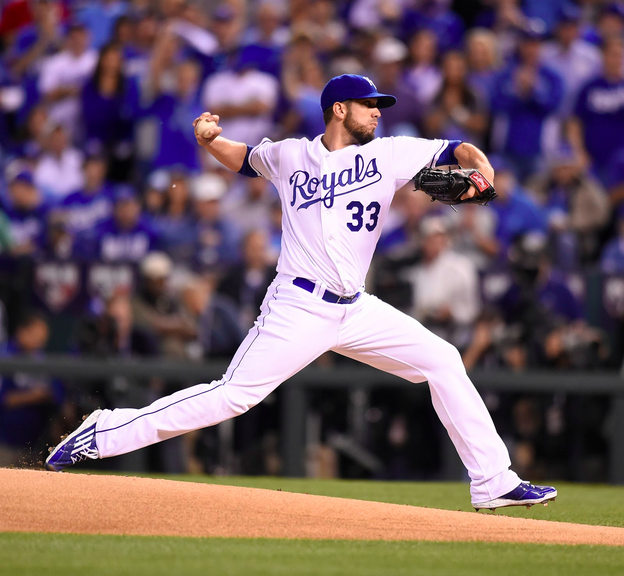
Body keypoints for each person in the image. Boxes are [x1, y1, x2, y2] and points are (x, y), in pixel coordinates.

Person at [45, 73, 556, 511]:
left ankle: (494, 482)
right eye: (369, 106)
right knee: (232, 396)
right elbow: (242, 157)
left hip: (356, 308)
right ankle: (104, 432)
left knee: (443, 359)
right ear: (339, 109)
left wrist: (483, 171)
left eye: (379, 107)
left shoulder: (391, 154)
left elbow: (460, 149)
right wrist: (207, 141)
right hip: (299, 305)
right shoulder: (290, 155)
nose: (378, 114)